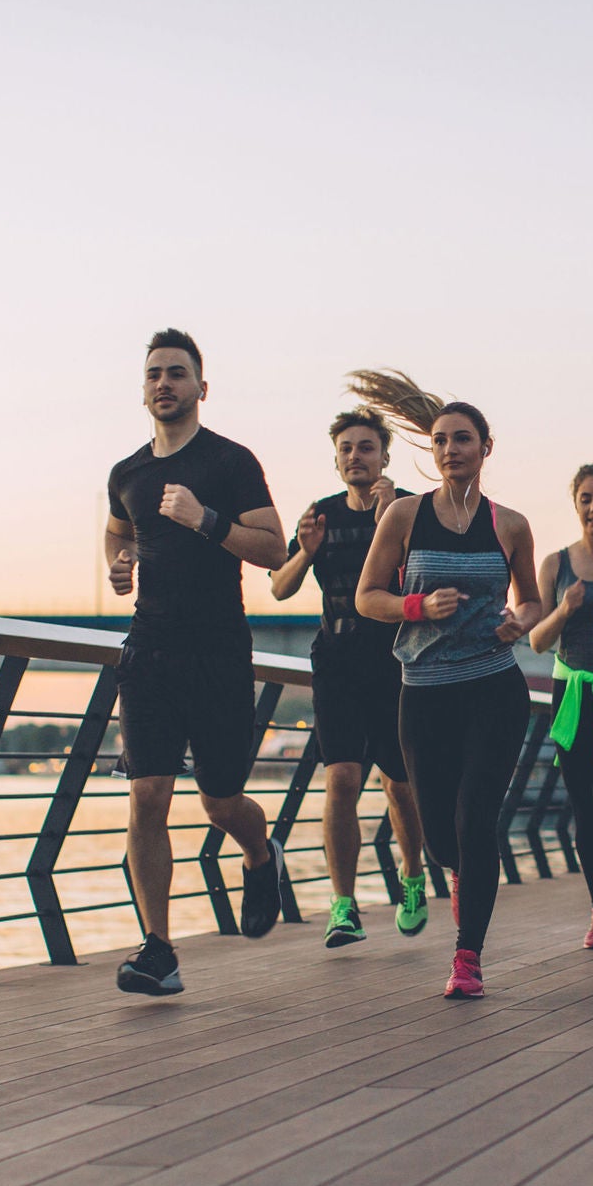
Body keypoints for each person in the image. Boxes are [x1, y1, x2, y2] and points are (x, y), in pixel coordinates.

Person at [105, 329, 290, 996]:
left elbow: (274, 548)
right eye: (155, 372)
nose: (165, 383)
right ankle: (159, 950)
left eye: (177, 373)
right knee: (147, 793)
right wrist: (116, 564)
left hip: (218, 652)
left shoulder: (231, 462)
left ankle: (259, 850)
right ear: (144, 386)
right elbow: (116, 527)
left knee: (218, 801)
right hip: (149, 650)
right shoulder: (127, 472)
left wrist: (204, 520)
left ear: (201, 388)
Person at [351, 370, 542, 1000]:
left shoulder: (509, 524)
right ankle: (460, 877)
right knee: (439, 833)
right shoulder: (404, 516)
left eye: (462, 439)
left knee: (475, 817)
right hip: (425, 691)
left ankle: (468, 957)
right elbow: (366, 597)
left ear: (486, 448)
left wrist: (520, 623)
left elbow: (534, 603)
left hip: (493, 687)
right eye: (439, 441)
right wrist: (415, 609)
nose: (449, 450)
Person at [268, 406, 430, 947]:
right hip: (336, 660)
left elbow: (422, 579)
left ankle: (411, 876)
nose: (354, 457)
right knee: (340, 778)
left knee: (400, 785)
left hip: (397, 660)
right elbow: (280, 588)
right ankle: (344, 905)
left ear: (384, 456)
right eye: (345, 449)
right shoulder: (321, 515)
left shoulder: (408, 510)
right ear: (336, 461)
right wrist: (306, 552)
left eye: (365, 448)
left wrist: (392, 519)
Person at [528, 464, 593, 951]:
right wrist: (566, 609)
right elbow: (538, 640)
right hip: (570, 695)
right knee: (584, 809)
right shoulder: (555, 564)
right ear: (575, 504)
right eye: (587, 499)